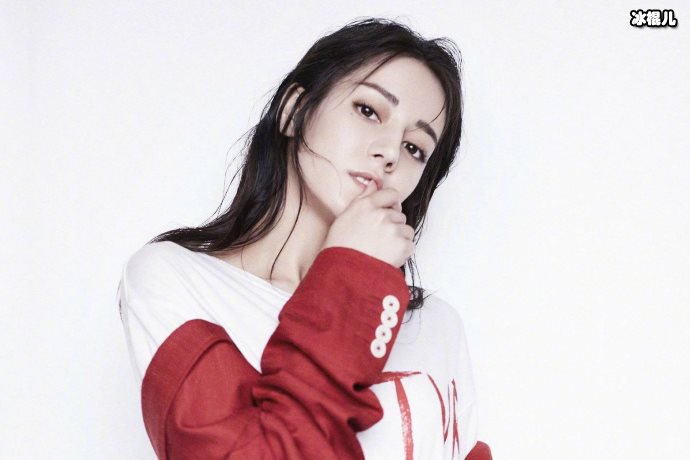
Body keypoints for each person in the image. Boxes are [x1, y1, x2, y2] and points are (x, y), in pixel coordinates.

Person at [117, 17, 492, 460]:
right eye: (369, 111)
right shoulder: (175, 281)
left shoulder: (436, 326)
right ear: (294, 111)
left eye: (415, 148)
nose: (391, 152)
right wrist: (352, 275)